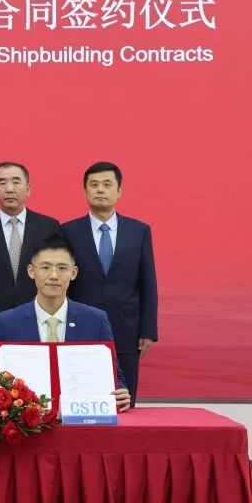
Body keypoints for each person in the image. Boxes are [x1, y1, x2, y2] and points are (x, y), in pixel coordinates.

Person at [0, 234, 132, 411]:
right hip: (27, 422)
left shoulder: (96, 320)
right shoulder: (7, 322)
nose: (54, 275)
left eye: (62, 268)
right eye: (45, 267)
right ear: (31, 271)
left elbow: (114, 375)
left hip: (82, 419)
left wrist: (120, 392)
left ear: (73, 273)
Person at [61, 161, 158, 403]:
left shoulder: (139, 231)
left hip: (127, 328)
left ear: (119, 191)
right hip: (80, 327)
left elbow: (147, 283)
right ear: (85, 191)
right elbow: (63, 283)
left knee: (125, 400)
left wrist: (148, 331)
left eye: (107, 184)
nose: (100, 190)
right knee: (79, 395)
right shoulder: (67, 232)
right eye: (94, 185)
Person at [0, 161, 61, 364]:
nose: (9, 189)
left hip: (39, 321)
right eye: (2, 183)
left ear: (28, 189)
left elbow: (58, 279)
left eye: (16, 182)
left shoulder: (48, 227)